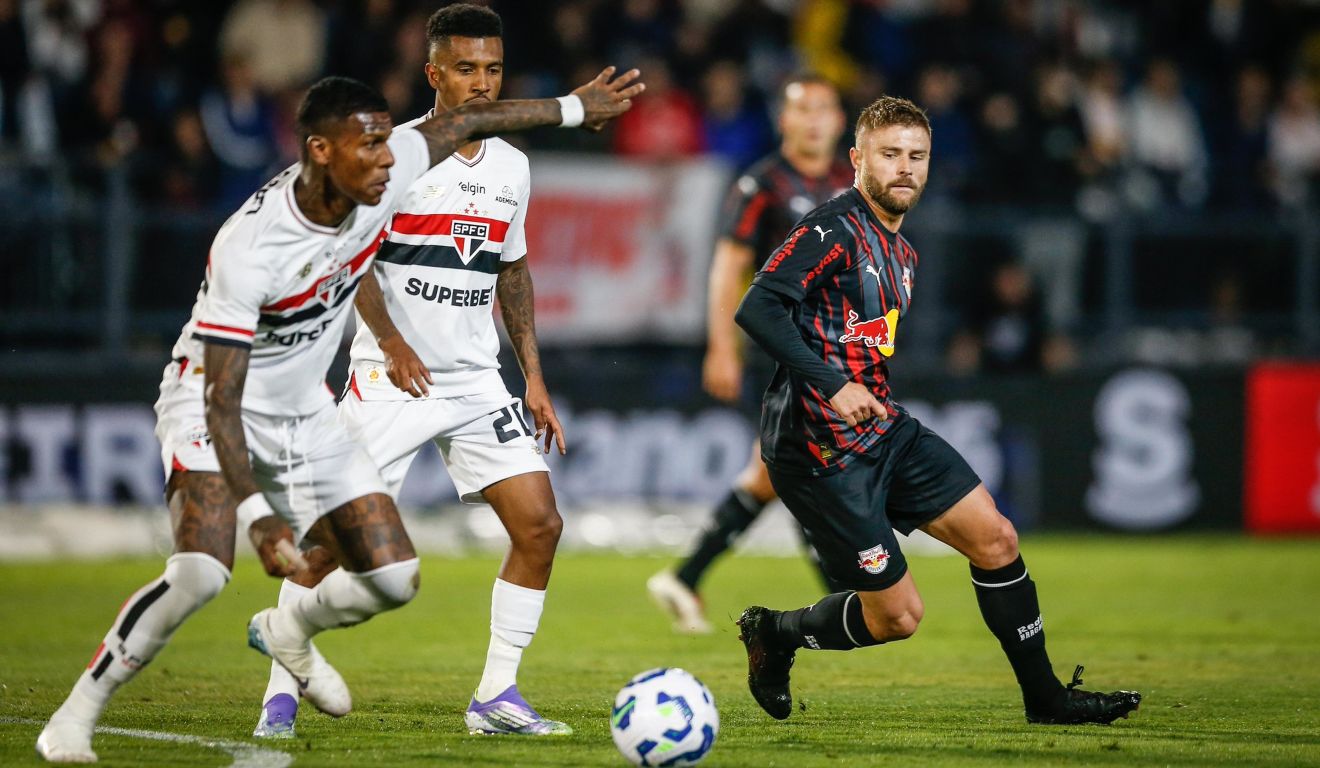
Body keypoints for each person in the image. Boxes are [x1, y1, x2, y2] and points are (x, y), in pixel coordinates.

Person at [35, 69, 643, 763]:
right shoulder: (252, 247)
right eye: (371, 151)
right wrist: (259, 516)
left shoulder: (382, 170)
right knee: (204, 572)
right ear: (321, 152)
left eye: (390, 148)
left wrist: (574, 109)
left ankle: (289, 633)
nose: (390, 163)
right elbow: (223, 399)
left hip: (306, 406)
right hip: (214, 400)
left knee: (392, 579)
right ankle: (76, 715)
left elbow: (467, 124)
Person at [731, 95, 1142, 725]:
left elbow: (857, 344)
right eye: (889, 154)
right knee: (897, 619)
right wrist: (833, 385)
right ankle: (775, 632)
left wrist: (856, 390)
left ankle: (1045, 699)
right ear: (857, 159)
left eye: (916, 156)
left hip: (882, 430)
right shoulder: (829, 228)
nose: (904, 168)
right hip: (819, 448)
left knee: (997, 538)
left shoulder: (904, 253)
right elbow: (758, 308)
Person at [252, 3, 571, 739]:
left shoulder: (513, 167)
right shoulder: (389, 154)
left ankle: (496, 697)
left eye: (493, 69)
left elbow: (512, 272)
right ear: (434, 74)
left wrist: (533, 376)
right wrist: (390, 341)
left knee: (540, 524)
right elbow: (351, 256)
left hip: (473, 380)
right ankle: (281, 689)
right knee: (336, 544)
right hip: (389, 378)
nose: (482, 83)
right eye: (466, 69)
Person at [648, 74, 854, 634]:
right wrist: (722, 345)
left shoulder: (848, 183)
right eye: (802, 109)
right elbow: (727, 268)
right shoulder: (759, 184)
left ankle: (686, 577)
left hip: (839, 351)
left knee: (774, 473)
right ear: (783, 121)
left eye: (823, 109)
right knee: (806, 468)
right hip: (785, 350)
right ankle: (848, 599)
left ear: (839, 121)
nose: (813, 119)